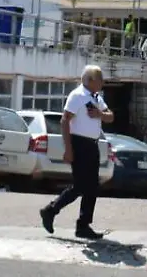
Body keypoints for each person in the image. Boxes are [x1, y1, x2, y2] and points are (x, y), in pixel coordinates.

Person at [40, 65, 114, 239]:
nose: (102, 82)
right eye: (99, 79)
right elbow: (64, 121)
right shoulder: (77, 96)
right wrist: (68, 149)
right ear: (89, 81)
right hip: (78, 143)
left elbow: (111, 116)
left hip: (92, 144)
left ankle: (83, 225)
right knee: (80, 185)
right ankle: (50, 210)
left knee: (92, 186)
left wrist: (100, 114)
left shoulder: (96, 98)